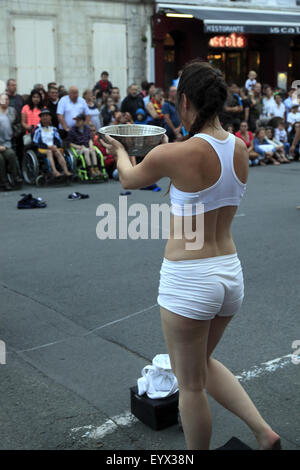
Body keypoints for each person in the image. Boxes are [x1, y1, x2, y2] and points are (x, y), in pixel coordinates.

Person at [99, 60, 281, 451]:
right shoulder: (240, 148)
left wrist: (118, 150)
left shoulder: (178, 153)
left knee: (190, 384)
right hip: (229, 273)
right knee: (200, 366)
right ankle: (264, 433)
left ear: (184, 102)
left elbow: (129, 179)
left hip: (190, 278)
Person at [33, 108, 72, 177]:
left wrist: (55, 146)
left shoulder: (53, 129)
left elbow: (58, 140)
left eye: (47, 115)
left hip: (53, 147)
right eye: (43, 116)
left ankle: (66, 171)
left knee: (57, 151)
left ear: (50, 117)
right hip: (42, 148)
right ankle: (54, 171)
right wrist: (47, 147)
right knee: (49, 152)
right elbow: (35, 142)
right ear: (41, 118)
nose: (45, 117)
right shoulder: (38, 129)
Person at [66, 113, 101, 178]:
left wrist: (91, 146)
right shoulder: (72, 130)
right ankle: (90, 170)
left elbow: (90, 139)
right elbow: (69, 143)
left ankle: (96, 169)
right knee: (86, 151)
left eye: (79, 120)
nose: (77, 122)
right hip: (78, 148)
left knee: (92, 150)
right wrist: (79, 147)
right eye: (76, 120)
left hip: (87, 146)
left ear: (83, 121)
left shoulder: (87, 128)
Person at [0, 93, 23, 190]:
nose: (5, 101)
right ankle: (4, 182)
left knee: (11, 154)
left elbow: (18, 124)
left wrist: (15, 132)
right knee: (0, 159)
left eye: (7, 99)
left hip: (7, 143)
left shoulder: (12, 111)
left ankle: (15, 177)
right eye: (3, 99)